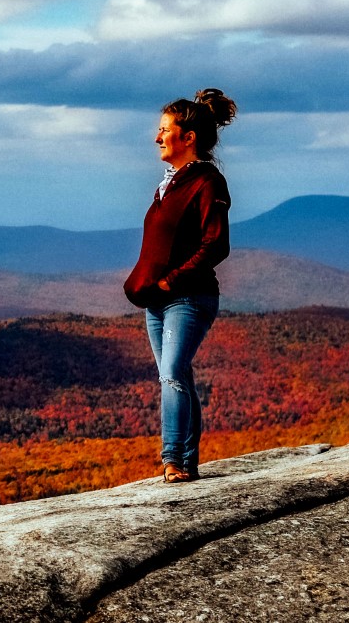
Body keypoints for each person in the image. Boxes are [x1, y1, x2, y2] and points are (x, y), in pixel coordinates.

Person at [123, 88, 237, 484]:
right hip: (158, 300)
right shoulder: (168, 184)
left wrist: (171, 280)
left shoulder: (207, 182)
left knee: (171, 374)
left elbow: (216, 244)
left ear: (188, 138)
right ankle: (186, 461)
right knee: (178, 376)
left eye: (164, 130)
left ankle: (173, 460)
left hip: (188, 297)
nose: (157, 138)